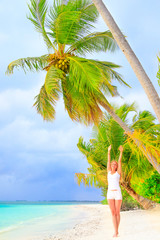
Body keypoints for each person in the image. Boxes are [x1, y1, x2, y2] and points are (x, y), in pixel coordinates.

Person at [107, 145, 123, 237]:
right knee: (113, 212)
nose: (113, 165)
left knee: (117, 212)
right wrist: (108, 151)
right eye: (112, 164)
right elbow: (108, 161)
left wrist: (121, 152)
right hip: (110, 193)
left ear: (116, 166)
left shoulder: (118, 173)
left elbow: (120, 161)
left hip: (117, 193)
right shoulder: (108, 172)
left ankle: (117, 231)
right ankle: (115, 231)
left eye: (115, 164)